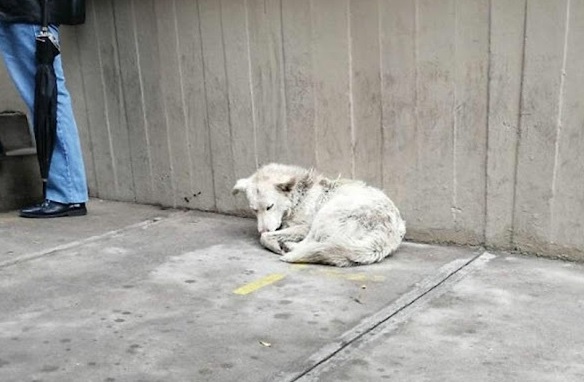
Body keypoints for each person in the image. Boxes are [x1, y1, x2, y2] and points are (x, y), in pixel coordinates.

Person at [0, 0, 88, 218]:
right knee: (45, 95)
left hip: (30, 11)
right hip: (22, 11)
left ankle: (67, 194)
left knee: (47, 96)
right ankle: (67, 192)